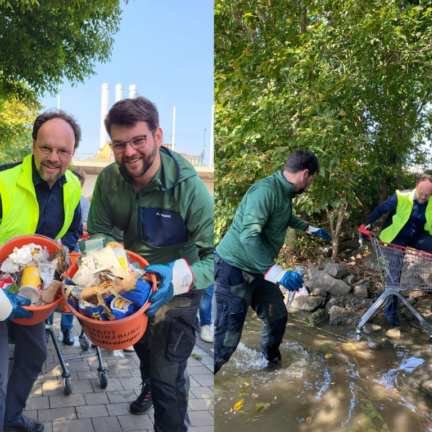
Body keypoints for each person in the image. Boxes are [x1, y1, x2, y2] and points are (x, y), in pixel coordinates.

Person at [87, 97, 214, 431]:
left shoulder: (192, 191)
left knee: (169, 374)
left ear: (158, 136)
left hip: (181, 286)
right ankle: (151, 385)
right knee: (145, 349)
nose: (129, 152)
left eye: (138, 140)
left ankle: (169, 414)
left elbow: (216, 260)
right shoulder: (108, 181)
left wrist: (177, 278)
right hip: (132, 282)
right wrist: (102, 278)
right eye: (119, 144)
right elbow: (98, 233)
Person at [0, 111, 83, 432]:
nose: (54, 158)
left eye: (63, 151)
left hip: (29, 290)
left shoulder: (72, 189)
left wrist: (65, 277)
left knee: (34, 354)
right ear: (33, 145)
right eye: (46, 148)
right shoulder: (1, 184)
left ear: (72, 153)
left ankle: (10, 419)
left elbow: (68, 237)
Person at [214, 148, 332, 373]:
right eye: (312, 179)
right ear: (305, 173)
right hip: (234, 270)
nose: (310, 184)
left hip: (259, 270)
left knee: (277, 316)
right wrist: (279, 274)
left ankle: (269, 368)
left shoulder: (283, 193)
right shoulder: (265, 191)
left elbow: (283, 217)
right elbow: (248, 237)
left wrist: (311, 228)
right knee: (226, 341)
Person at [363, 174, 432, 326]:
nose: (424, 197)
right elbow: (381, 209)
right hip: (397, 236)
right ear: (416, 186)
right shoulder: (401, 196)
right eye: (421, 193)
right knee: (395, 273)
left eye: (427, 194)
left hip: (417, 235)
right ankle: (390, 313)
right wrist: (367, 224)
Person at [48, 167, 90, 346]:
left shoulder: (82, 202)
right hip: (51, 251)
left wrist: (64, 246)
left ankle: (66, 330)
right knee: (49, 287)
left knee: (70, 290)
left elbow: (83, 226)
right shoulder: (53, 197)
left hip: (71, 251)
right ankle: (47, 328)